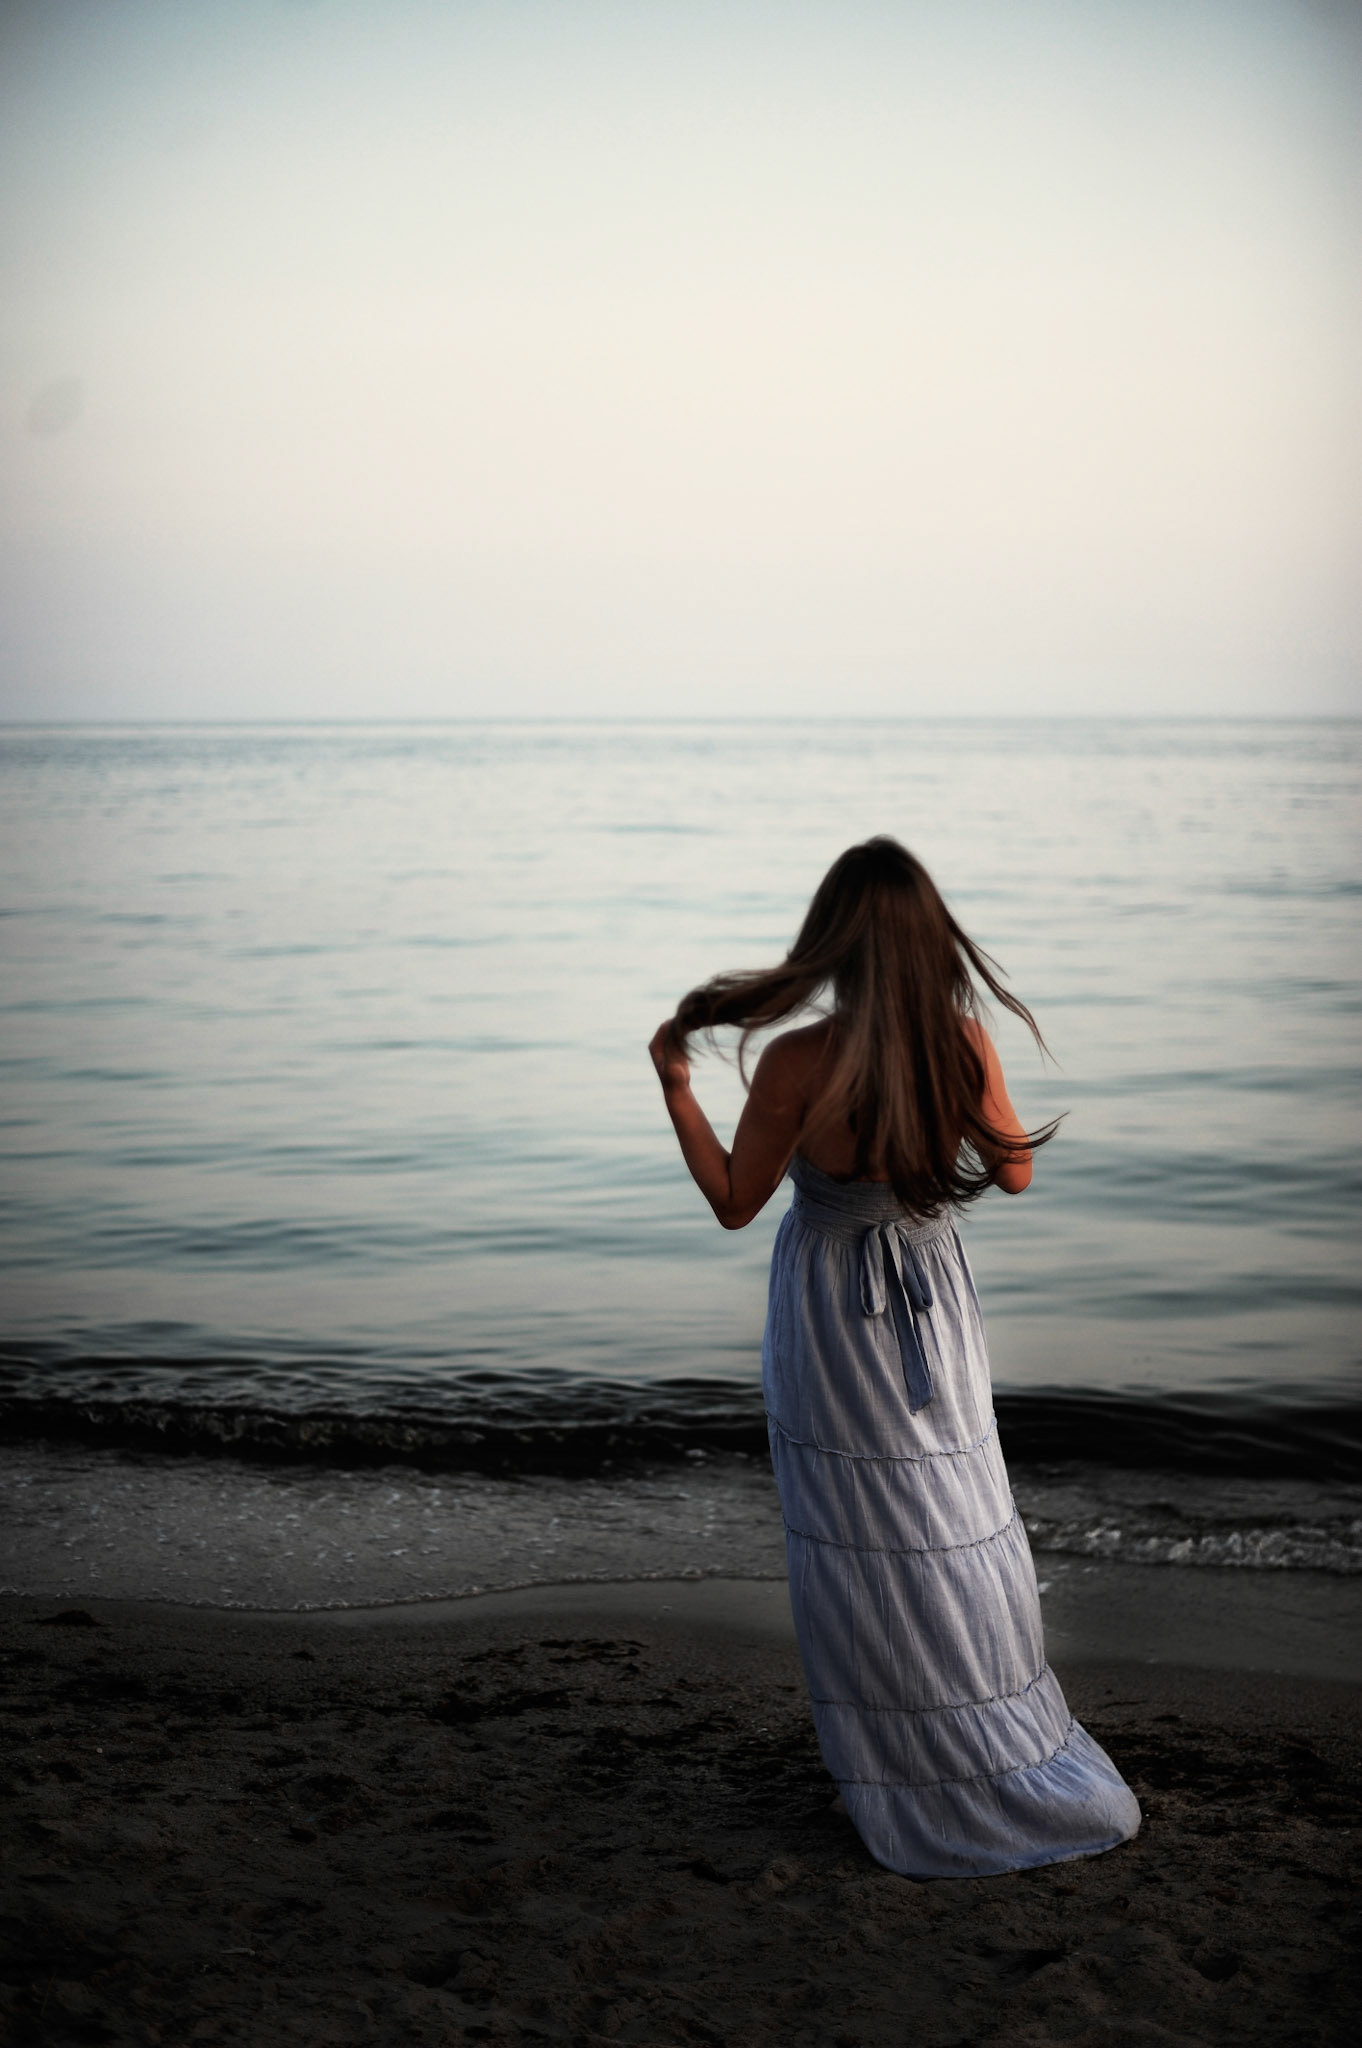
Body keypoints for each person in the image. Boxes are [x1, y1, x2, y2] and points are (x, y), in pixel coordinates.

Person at [648, 836, 1140, 1879]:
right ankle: (993, 1738)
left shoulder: (797, 1060)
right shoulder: (960, 1043)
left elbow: (735, 1201)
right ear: (929, 942)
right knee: (952, 1513)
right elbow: (1015, 1176)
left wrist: (677, 1085)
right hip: (932, 1291)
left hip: (831, 1308)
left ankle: (896, 1760)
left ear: (831, 943)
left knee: (859, 1527)